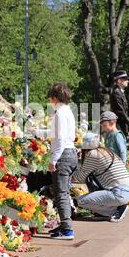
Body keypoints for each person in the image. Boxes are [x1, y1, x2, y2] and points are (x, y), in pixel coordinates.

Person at [71, 133, 129, 223]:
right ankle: (115, 208)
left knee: (80, 201)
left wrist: (67, 178)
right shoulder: (105, 151)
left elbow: (80, 177)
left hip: (119, 192)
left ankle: (116, 210)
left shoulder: (93, 154)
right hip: (128, 188)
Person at [45, 82, 78, 240]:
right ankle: (65, 225)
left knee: (61, 194)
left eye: (51, 98)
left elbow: (59, 139)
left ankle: (67, 230)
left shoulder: (59, 114)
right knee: (64, 192)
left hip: (63, 155)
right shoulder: (68, 112)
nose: (50, 102)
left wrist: (53, 160)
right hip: (71, 153)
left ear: (55, 97)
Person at [109, 70, 129, 139]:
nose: (128, 81)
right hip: (118, 126)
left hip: (121, 125)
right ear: (119, 80)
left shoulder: (120, 92)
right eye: (125, 79)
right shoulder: (116, 93)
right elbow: (120, 111)